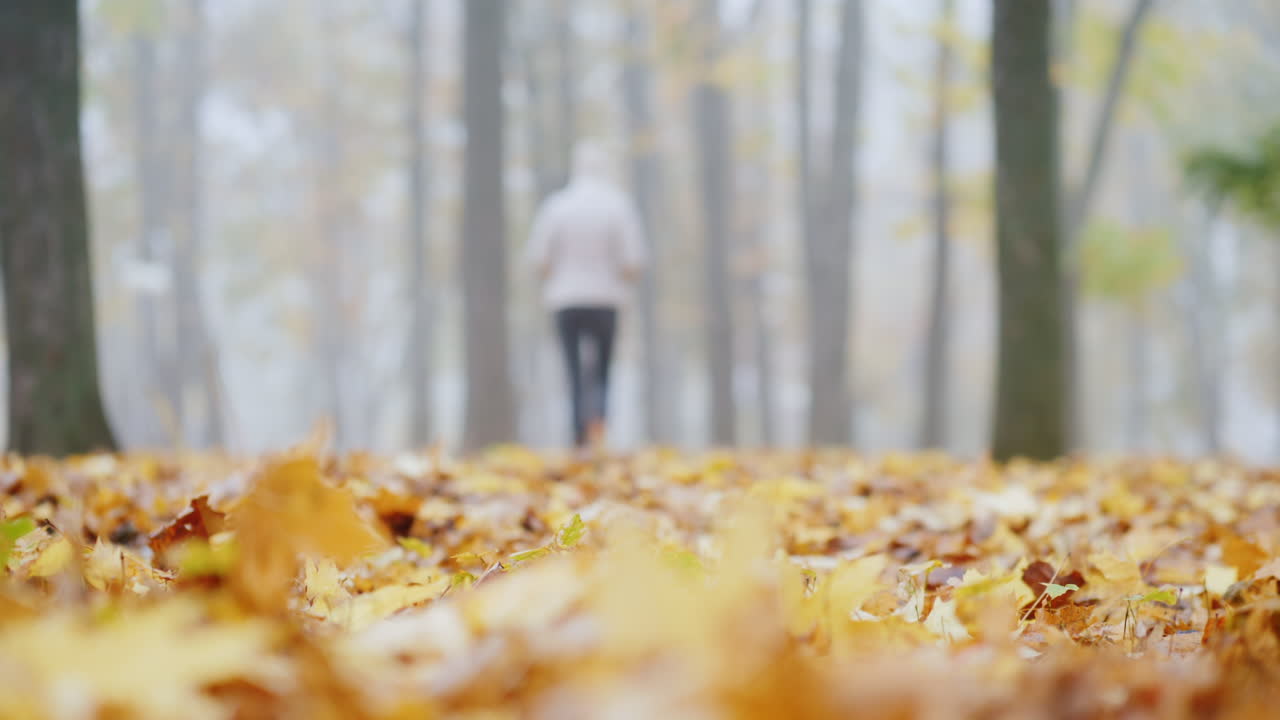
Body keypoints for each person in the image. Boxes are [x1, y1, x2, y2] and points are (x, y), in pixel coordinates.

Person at [525, 141, 646, 448]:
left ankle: (578, 433)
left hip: (565, 300)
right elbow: (633, 261)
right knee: (603, 368)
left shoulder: (556, 206)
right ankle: (599, 426)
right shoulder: (618, 206)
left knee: (573, 368)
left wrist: (559, 275)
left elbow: (539, 258)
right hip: (607, 299)